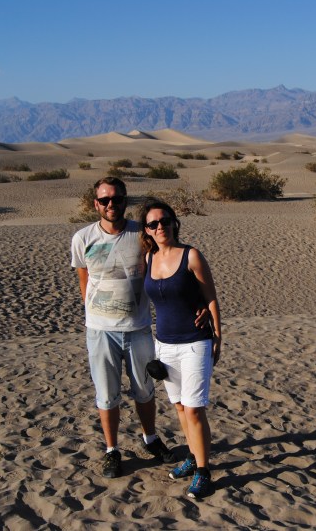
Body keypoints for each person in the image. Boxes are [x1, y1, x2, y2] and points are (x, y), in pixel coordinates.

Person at [70, 177, 176, 479]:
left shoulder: (141, 234)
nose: (111, 204)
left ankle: (150, 439)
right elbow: (84, 280)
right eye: (104, 200)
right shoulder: (82, 238)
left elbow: (166, 263)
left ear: (125, 200)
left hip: (138, 328)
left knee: (144, 389)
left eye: (116, 199)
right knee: (107, 394)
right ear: (96, 204)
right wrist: (95, 316)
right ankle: (111, 450)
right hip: (100, 331)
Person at [140, 199, 222, 499]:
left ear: (174, 223)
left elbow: (210, 296)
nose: (160, 226)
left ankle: (203, 471)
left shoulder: (191, 255)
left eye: (165, 220)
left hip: (195, 342)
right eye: (153, 223)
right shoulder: (147, 258)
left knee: (194, 408)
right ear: (147, 230)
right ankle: (193, 456)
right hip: (165, 345)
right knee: (179, 407)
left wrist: (217, 335)